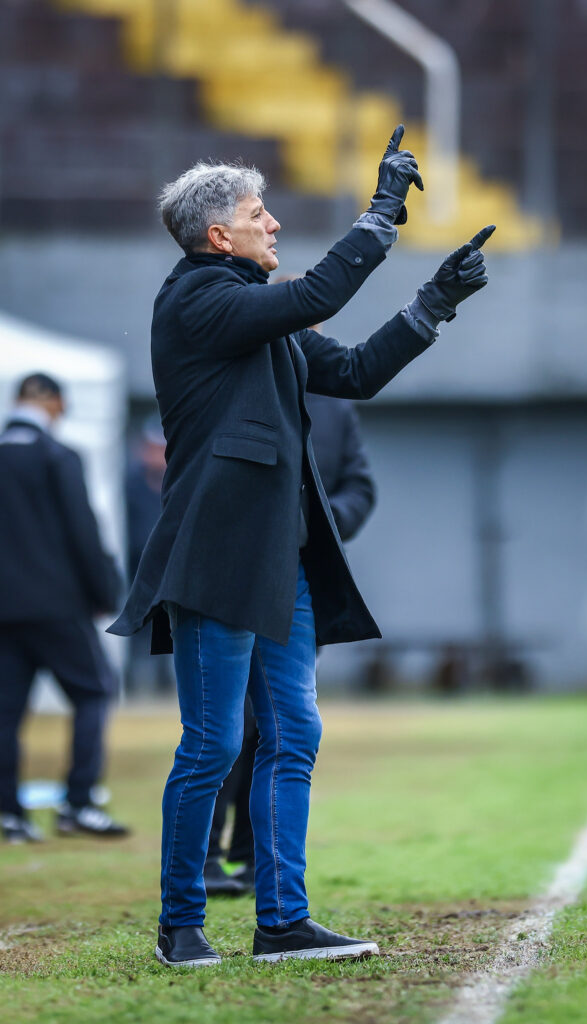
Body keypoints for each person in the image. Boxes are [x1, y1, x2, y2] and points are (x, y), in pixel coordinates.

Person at [108, 124, 495, 967]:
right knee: (213, 745)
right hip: (217, 562)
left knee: (293, 736)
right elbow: (318, 294)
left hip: (283, 568)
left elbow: (353, 373)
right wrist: (382, 212)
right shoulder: (199, 301)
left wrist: (434, 303)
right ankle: (180, 926)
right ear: (220, 236)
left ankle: (282, 921)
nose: (274, 223)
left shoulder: (258, 316)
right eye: (260, 214)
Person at [204, 389, 377, 896]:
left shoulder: (335, 406)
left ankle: (254, 859)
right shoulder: (235, 382)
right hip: (235, 574)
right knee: (227, 726)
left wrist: (315, 519)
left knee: (281, 727)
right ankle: (206, 858)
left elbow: (361, 487)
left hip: (299, 580)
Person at [0, 373, 129, 842]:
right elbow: (82, 530)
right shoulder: (58, 455)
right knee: (94, 691)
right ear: (52, 401)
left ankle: (9, 814)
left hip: (3, 609)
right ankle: (79, 803)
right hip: (58, 605)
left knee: (5, 711)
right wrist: (104, 593)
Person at [125, 417, 174, 694]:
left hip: (171, 570)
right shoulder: (131, 482)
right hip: (138, 571)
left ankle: (166, 685)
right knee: (140, 632)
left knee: (169, 629)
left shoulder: (178, 479)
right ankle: (139, 687)